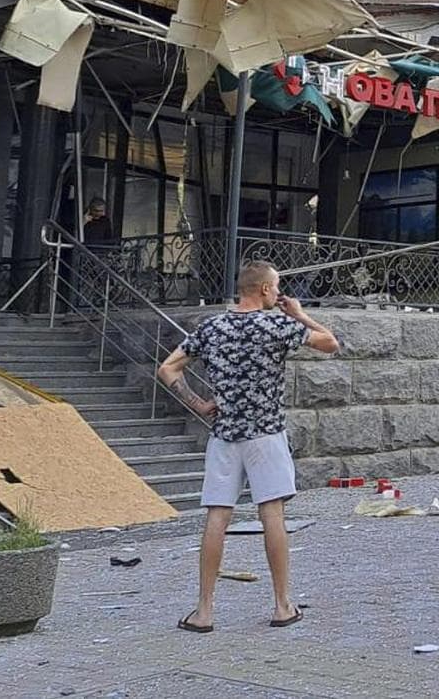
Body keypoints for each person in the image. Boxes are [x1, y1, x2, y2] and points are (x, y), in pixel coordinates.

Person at [157, 259, 339, 632]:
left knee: (216, 517)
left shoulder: (212, 326)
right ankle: (282, 605)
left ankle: (204, 611)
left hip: (224, 434)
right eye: (277, 286)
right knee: (271, 515)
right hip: (266, 433)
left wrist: (199, 404)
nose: (280, 292)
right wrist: (301, 315)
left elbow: (167, 369)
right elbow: (330, 343)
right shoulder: (277, 324)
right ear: (265, 290)